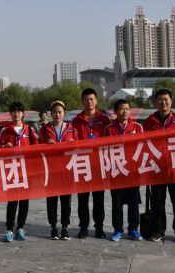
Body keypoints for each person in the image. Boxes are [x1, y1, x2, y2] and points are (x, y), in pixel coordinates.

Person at [143, 88, 175, 243]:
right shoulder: (149, 122)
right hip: (156, 168)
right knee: (157, 202)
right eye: (160, 100)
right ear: (155, 102)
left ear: (171, 101)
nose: (163, 102)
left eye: (166, 99)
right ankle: (158, 230)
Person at [71, 88, 111, 239]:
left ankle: (99, 227)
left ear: (96, 101)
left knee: (99, 199)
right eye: (86, 99)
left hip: (99, 164)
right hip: (82, 164)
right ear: (82, 102)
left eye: (91, 99)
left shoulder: (105, 119)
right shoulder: (76, 121)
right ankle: (83, 227)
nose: (89, 102)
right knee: (82, 199)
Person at [104, 99, 144, 241]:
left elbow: (142, 146)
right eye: (121, 109)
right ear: (115, 111)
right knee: (117, 202)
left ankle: (133, 229)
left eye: (127, 109)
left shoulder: (137, 127)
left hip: (133, 171)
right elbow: (104, 149)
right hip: (116, 170)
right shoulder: (109, 129)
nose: (125, 111)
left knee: (134, 202)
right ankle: (118, 229)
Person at [0, 101, 38, 242]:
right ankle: (9, 229)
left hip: (26, 170)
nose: (17, 114)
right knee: (12, 201)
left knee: (24, 201)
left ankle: (20, 228)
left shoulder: (29, 130)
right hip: (12, 170)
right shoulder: (5, 131)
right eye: (14, 111)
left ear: (23, 114)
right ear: (10, 114)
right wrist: (5, 146)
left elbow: (36, 149)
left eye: (19, 111)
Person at [39, 100, 77, 240]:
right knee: (52, 200)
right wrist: (45, 144)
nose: (57, 115)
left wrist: (73, 144)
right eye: (54, 112)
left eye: (60, 112)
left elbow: (79, 147)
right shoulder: (45, 129)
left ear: (64, 113)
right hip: (51, 170)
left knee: (66, 200)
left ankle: (65, 227)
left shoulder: (71, 129)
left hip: (67, 170)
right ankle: (54, 227)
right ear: (51, 114)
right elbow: (38, 147)